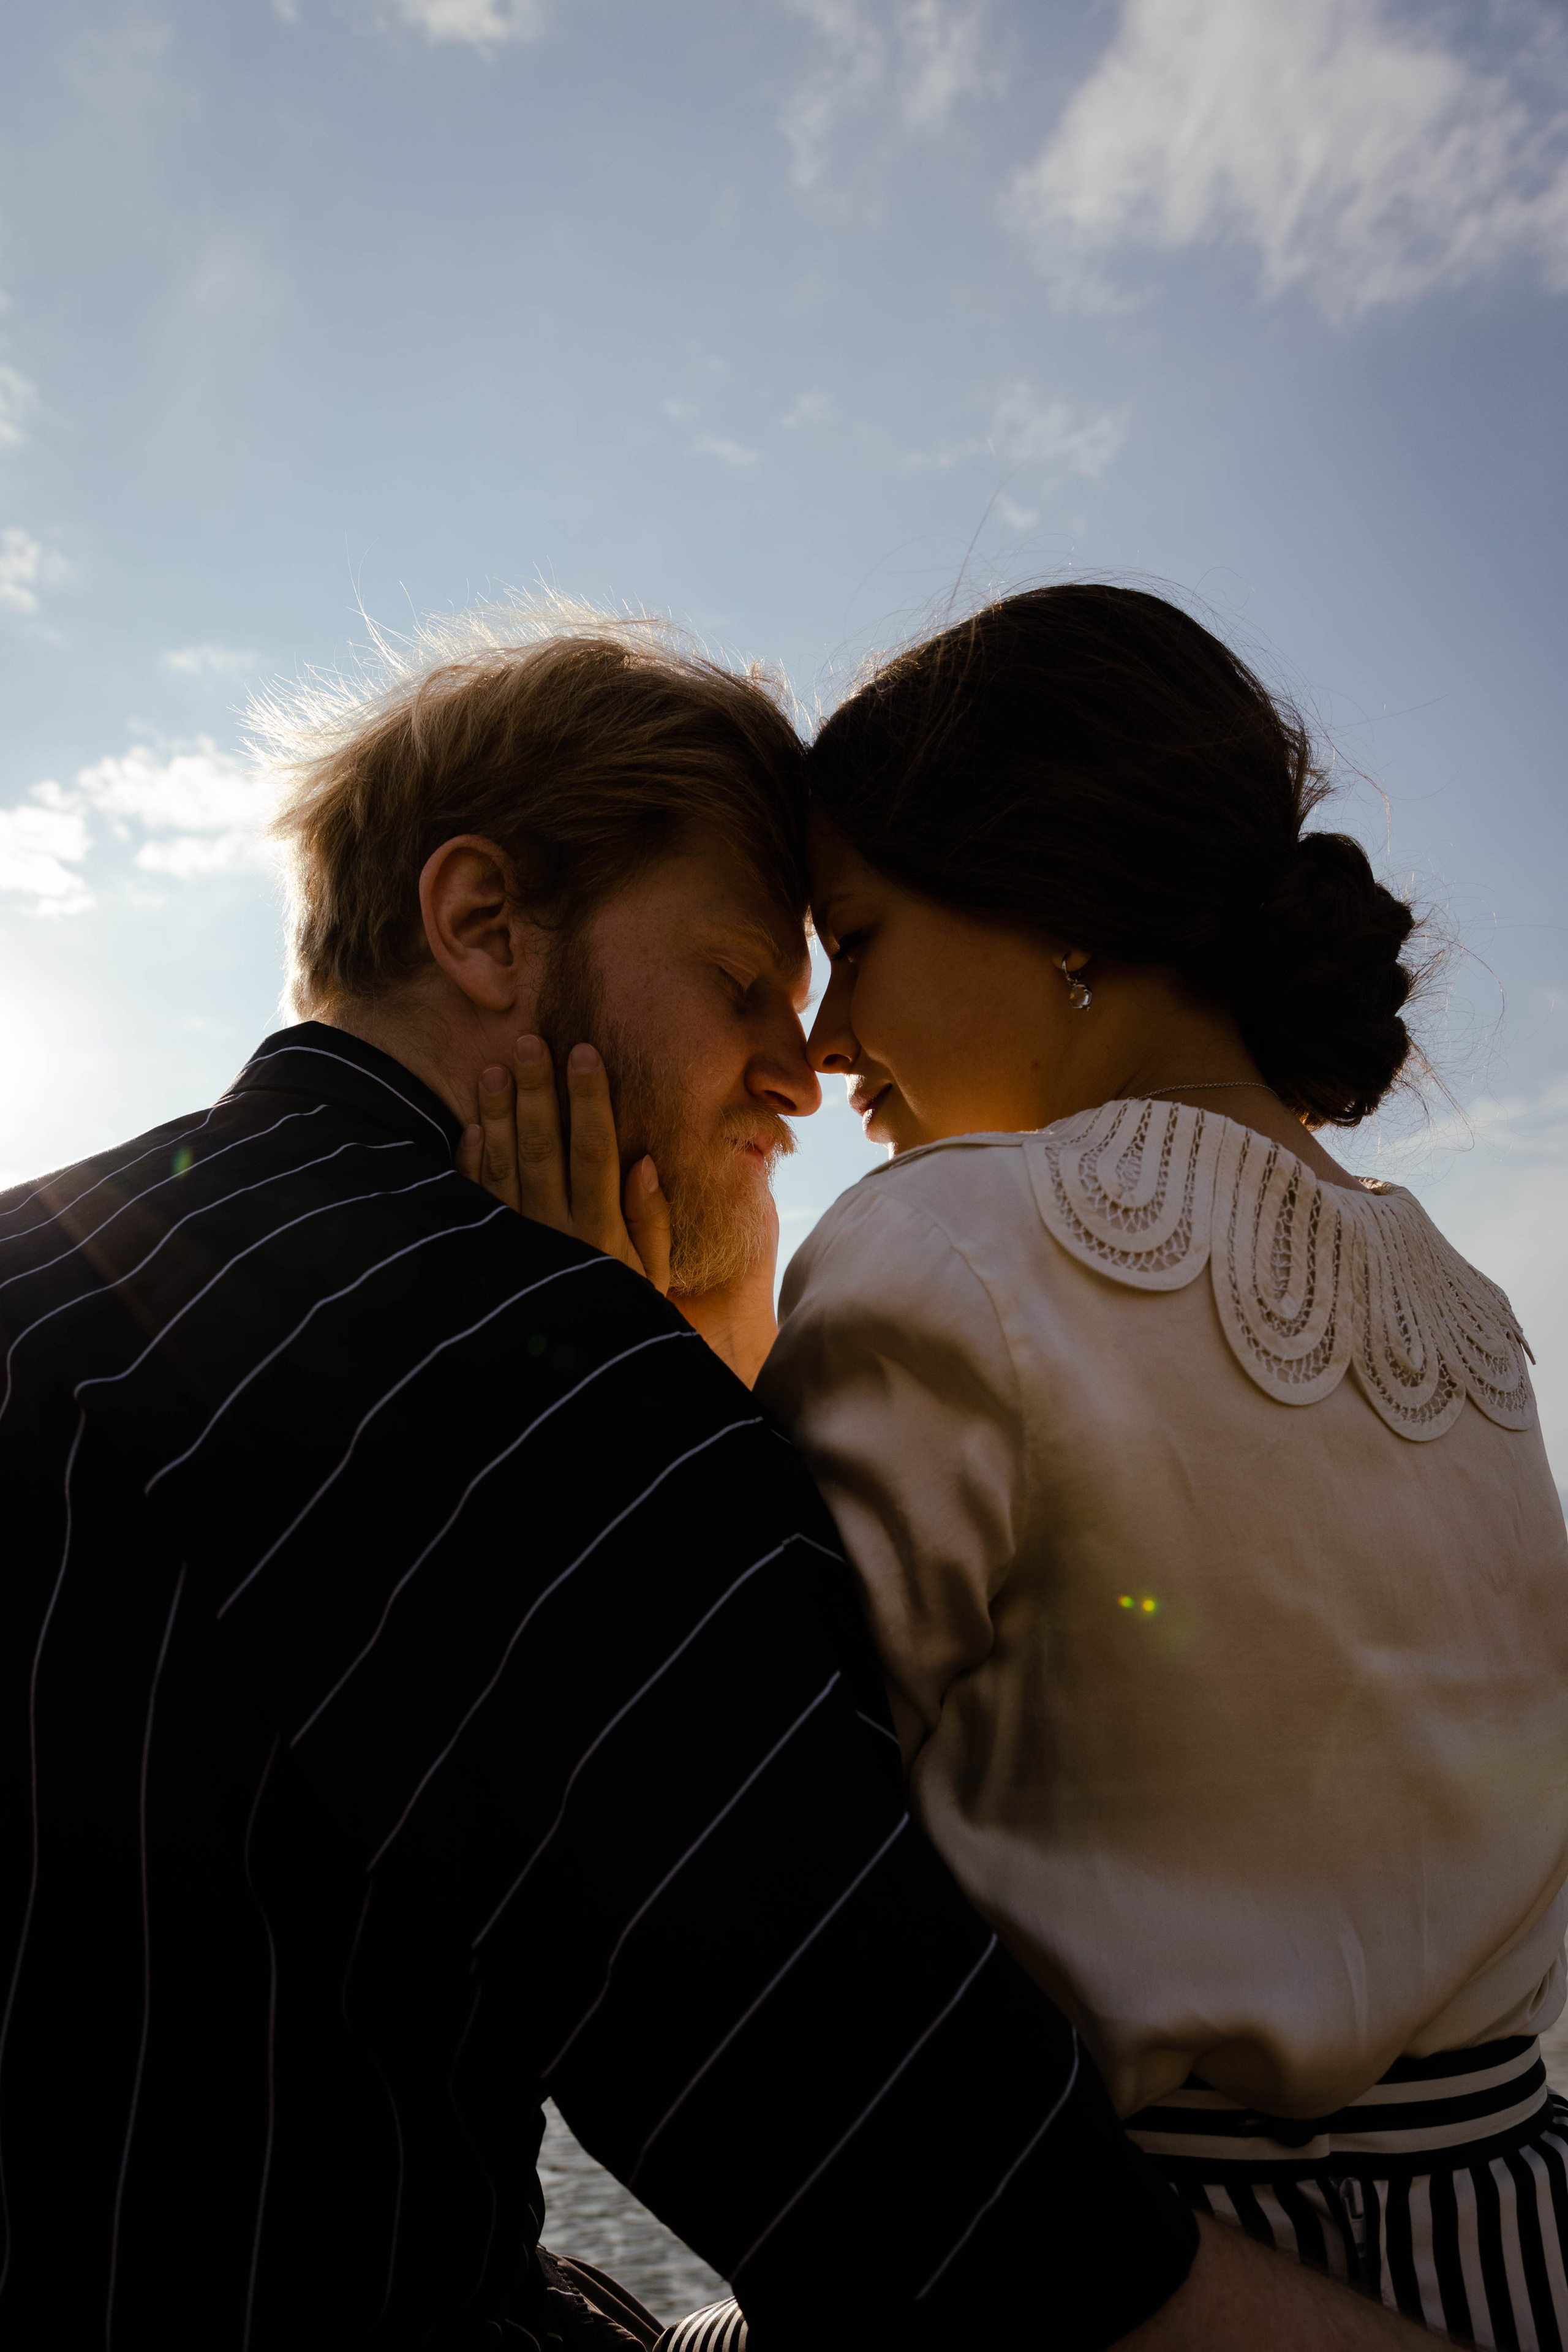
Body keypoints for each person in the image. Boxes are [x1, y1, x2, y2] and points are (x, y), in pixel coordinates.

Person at [0, 600, 1435, 2352]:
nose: (803, 1067)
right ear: (483, 926)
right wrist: (636, 1372)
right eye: (746, 978)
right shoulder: (516, 1390)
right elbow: (969, 2232)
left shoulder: (56, 1261)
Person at [741, 585, 1568, 2349]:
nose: (819, 1041)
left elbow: (771, 1845)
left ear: (1056, 907)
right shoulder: (1475, 1312)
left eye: (855, 934)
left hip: (1137, 2279)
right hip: (1514, 2251)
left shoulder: (950, 1249)